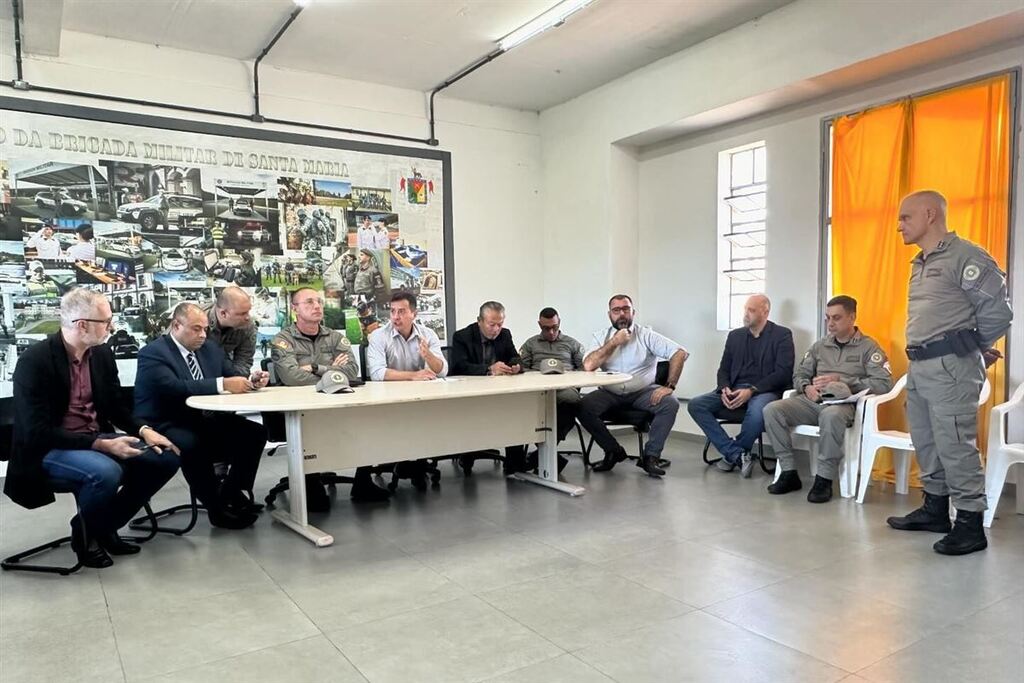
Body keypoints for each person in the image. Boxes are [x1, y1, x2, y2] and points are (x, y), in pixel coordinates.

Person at [4, 289, 179, 567]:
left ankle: (98, 526)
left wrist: (144, 430)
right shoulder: (35, 362)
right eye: (106, 321)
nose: (112, 327)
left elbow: (116, 408)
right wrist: (100, 444)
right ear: (82, 324)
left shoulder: (102, 355)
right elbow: (36, 430)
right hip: (49, 448)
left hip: (95, 436)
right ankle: (87, 536)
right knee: (106, 471)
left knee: (165, 457)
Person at [886, 190, 1013, 555]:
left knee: (956, 444)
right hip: (922, 366)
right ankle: (935, 510)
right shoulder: (920, 262)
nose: (899, 226)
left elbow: (998, 314)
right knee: (927, 441)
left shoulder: (967, 257)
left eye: (905, 218)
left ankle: (971, 525)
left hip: (950, 368)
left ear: (929, 215)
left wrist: (968, 346)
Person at [135, 303, 269, 529]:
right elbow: (174, 388)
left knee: (254, 432)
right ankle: (217, 510)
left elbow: (232, 375)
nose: (203, 335)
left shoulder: (210, 349)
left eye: (205, 329)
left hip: (204, 419)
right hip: (166, 421)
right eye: (196, 329)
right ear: (176, 326)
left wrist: (252, 381)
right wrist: (222, 384)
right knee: (193, 444)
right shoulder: (153, 353)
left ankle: (230, 493)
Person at [763, 295, 893, 503]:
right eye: (827, 318)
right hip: (813, 402)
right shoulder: (819, 346)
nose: (830, 323)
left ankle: (824, 478)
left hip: (844, 405)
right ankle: (788, 472)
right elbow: (799, 375)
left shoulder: (869, 348)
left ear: (852, 317)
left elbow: (884, 384)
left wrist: (844, 381)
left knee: (831, 416)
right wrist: (806, 388)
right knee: (772, 409)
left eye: (837, 318)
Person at [272, 288, 390, 506]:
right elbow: (292, 377)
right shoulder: (283, 340)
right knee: (310, 426)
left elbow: (352, 371)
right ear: (295, 309)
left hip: (336, 403)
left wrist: (315, 367)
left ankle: (362, 482)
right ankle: (310, 482)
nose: (317, 306)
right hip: (301, 408)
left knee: (368, 418)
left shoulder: (336, 337)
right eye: (309, 302)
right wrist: (332, 371)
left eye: (319, 301)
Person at [580, 294, 687, 477]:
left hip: (642, 392)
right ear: (609, 315)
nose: (622, 314)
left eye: (626, 309)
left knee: (670, 403)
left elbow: (679, 353)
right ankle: (613, 451)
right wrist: (614, 342)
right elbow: (589, 365)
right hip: (609, 393)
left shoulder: (646, 335)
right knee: (581, 407)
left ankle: (650, 457)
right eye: (616, 310)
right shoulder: (600, 337)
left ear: (633, 312)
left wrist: (669, 385)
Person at [688, 294, 794, 477]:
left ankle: (732, 455)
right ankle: (737, 454)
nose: (746, 314)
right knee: (696, 404)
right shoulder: (735, 336)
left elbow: (783, 372)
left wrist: (751, 391)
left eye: (751, 310)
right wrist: (724, 388)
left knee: (759, 409)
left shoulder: (782, 335)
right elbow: (723, 369)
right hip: (735, 388)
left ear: (765, 312)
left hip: (764, 391)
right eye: (745, 309)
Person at [366, 291, 448, 489]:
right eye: (392, 311)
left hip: (421, 400)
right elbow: (377, 372)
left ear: (414, 313)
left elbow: (443, 370)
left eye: (401, 312)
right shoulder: (379, 336)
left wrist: (428, 356)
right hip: (388, 400)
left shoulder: (428, 334)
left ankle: (416, 463)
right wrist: (412, 375)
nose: (395, 317)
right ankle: (407, 462)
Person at [518, 306, 586, 472]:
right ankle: (547, 455)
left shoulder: (572, 344)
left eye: (554, 327)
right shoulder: (530, 344)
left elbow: (585, 369)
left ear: (559, 323)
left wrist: (570, 378)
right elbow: (521, 369)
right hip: (537, 390)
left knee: (574, 403)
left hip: (564, 389)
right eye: (545, 328)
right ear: (539, 325)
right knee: (518, 407)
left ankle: (541, 453)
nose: (550, 332)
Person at [201, 286, 257, 376]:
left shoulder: (247, 326)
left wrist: (238, 380)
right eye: (242, 313)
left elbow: (243, 362)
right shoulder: (195, 321)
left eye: (248, 311)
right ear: (223, 313)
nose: (247, 317)